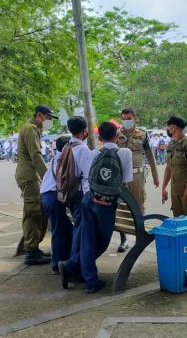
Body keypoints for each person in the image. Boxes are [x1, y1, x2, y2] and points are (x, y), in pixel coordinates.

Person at [60, 121, 133, 294]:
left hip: (88, 200)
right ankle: (71, 266)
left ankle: (88, 280)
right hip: (106, 205)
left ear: (99, 138)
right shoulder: (125, 152)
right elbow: (127, 182)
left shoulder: (92, 153)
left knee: (88, 241)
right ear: (117, 136)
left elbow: (87, 178)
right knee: (101, 242)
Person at [15, 105, 58, 265]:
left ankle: (34, 248)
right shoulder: (31, 129)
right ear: (40, 115)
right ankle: (31, 252)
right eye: (48, 118)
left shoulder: (33, 129)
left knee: (39, 211)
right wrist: (48, 177)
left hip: (31, 176)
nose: (49, 121)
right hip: (29, 177)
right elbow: (36, 155)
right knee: (33, 213)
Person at [117, 108, 159, 252]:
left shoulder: (143, 134)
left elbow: (150, 155)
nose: (126, 121)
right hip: (121, 177)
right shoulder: (117, 134)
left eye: (129, 118)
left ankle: (139, 238)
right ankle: (123, 240)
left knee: (139, 206)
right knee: (121, 206)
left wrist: (155, 176)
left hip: (138, 176)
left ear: (135, 118)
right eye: (124, 118)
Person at [58, 117, 92, 282]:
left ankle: (74, 265)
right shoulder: (83, 149)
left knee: (78, 228)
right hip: (79, 194)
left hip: (69, 193)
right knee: (80, 230)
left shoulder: (67, 145)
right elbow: (87, 175)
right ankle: (72, 267)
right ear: (84, 130)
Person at [40, 136, 72, 274]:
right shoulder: (62, 159)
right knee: (58, 231)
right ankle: (56, 264)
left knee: (68, 229)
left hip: (47, 197)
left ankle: (66, 259)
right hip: (53, 198)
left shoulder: (57, 157)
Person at [162, 116, 187, 219]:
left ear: (174, 127)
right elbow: (168, 168)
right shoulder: (171, 144)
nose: (168, 128)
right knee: (178, 221)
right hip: (175, 190)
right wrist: (164, 187)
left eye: (169, 126)